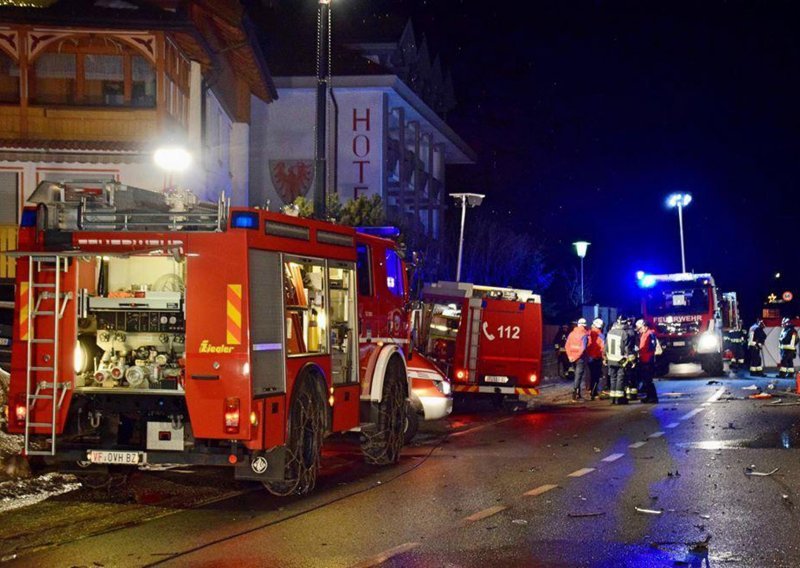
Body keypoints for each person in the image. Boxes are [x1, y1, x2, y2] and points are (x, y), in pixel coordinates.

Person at [605, 316, 636, 405]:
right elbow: (626, 349)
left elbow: (606, 347)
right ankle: (619, 399)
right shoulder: (623, 333)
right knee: (620, 378)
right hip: (620, 359)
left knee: (612, 378)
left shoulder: (610, 332)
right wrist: (631, 360)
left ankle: (612, 398)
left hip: (610, 359)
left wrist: (605, 357)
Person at [566, 318, 590, 401]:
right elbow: (583, 348)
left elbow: (567, 346)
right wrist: (576, 357)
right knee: (578, 376)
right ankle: (575, 395)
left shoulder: (571, 333)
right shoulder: (584, 334)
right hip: (580, 358)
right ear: (584, 325)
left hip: (572, 358)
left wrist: (570, 356)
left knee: (577, 376)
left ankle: (578, 394)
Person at [635, 319, 659, 403]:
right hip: (644, 359)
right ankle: (649, 396)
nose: (639, 330)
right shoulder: (644, 334)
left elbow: (652, 346)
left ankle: (653, 397)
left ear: (644, 326)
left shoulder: (649, 334)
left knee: (648, 380)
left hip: (648, 360)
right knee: (646, 380)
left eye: (640, 328)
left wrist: (642, 351)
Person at [586, 318, 605, 400]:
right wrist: (604, 357)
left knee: (590, 375)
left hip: (588, 357)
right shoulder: (600, 335)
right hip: (597, 357)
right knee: (596, 376)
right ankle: (594, 393)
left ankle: (589, 390)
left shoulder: (588, 333)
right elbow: (603, 348)